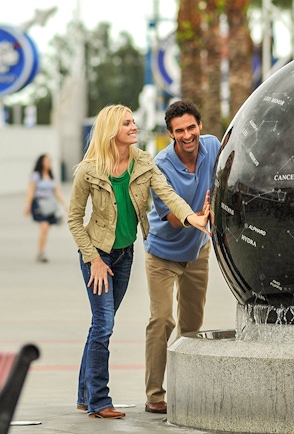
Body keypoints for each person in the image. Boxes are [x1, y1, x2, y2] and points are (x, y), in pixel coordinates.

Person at [67, 104, 211, 420]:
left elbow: (168, 194)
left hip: (124, 255)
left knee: (99, 326)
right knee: (103, 325)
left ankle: (83, 393)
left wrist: (191, 217)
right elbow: (74, 219)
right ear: (111, 131)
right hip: (98, 257)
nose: (134, 127)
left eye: (134, 122)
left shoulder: (142, 162)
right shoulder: (88, 170)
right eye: (127, 123)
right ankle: (99, 401)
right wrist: (93, 260)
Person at [143, 100, 221, 414]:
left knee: (191, 327)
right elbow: (172, 217)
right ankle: (155, 395)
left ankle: (184, 389)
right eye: (179, 131)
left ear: (199, 126)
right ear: (172, 135)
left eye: (191, 128)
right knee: (161, 320)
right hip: (163, 254)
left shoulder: (213, 146)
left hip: (197, 252)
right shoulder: (161, 164)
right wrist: (196, 217)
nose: (187, 135)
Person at [24, 154, 68, 263]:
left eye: (50, 161)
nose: (49, 163)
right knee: (44, 226)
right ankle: (40, 252)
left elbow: (56, 191)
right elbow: (31, 191)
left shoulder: (51, 176)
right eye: (47, 161)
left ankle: (41, 250)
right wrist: (28, 206)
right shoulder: (36, 176)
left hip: (49, 204)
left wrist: (64, 203)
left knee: (46, 228)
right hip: (39, 204)